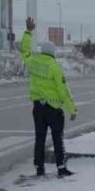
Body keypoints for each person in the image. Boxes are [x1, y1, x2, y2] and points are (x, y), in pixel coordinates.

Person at [19, 17, 78, 177]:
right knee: (57, 139)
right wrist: (72, 110)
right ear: (53, 53)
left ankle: (39, 168)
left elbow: (24, 50)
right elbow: (63, 91)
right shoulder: (54, 67)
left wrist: (28, 32)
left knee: (40, 138)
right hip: (54, 109)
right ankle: (60, 167)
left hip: (38, 108)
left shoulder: (33, 62)